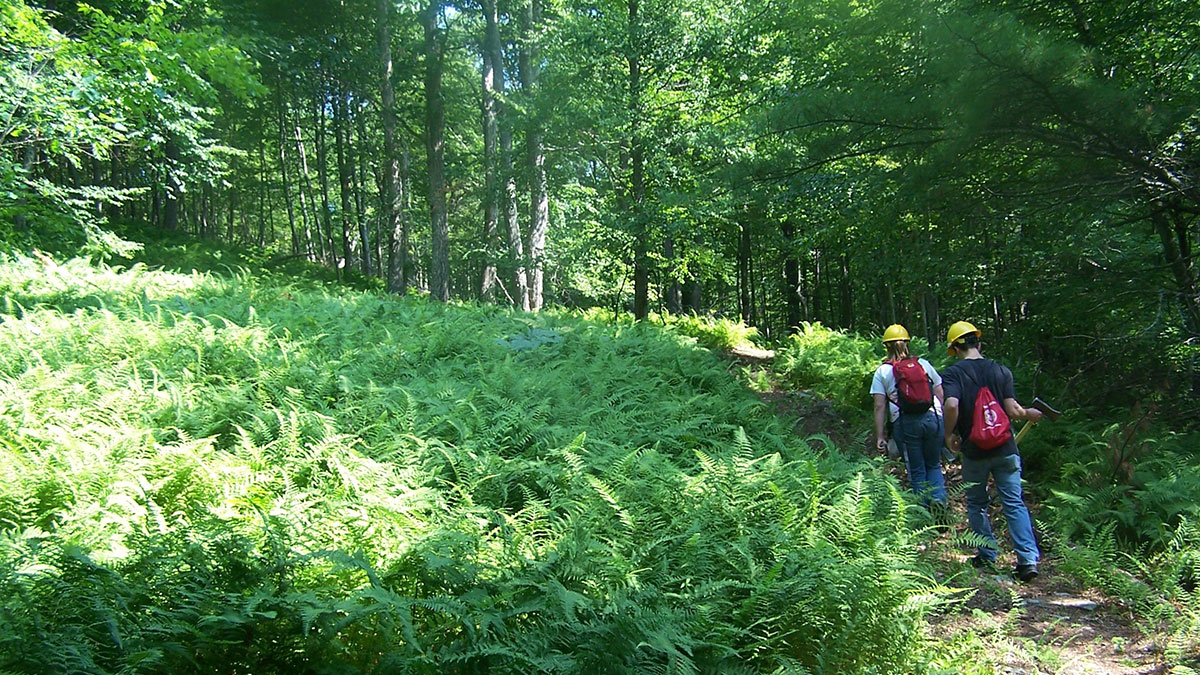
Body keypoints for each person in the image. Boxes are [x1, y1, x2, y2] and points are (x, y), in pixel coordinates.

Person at [940, 321, 1043, 582]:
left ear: (955, 349)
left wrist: (949, 434)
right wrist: (1029, 414)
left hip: (974, 450)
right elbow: (1013, 411)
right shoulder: (1001, 371)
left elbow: (951, 405)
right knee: (1014, 502)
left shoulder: (953, 374)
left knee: (976, 503)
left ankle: (986, 554)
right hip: (1005, 447)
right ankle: (1027, 560)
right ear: (979, 343)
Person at [871, 324, 947, 506]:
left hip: (905, 422)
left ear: (886, 346)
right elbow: (940, 394)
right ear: (907, 343)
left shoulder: (882, 371)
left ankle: (923, 512)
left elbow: (879, 406)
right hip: (933, 418)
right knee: (934, 464)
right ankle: (939, 502)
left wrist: (880, 436)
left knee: (916, 468)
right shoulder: (923, 364)